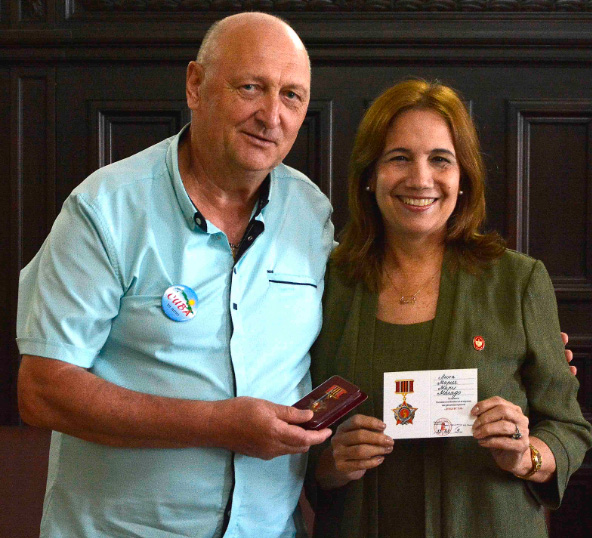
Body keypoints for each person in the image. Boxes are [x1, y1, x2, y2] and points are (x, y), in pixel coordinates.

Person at [16, 12, 334, 538]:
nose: (271, 116)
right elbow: (43, 389)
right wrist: (219, 424)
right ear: (195, 85)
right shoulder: (106, 209)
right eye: (250, 88)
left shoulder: (310, 212)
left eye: (291, 96)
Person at [306, 79, 592, 537]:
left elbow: (568, 427)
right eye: (399, 158)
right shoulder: (325, 285)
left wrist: (526, 456)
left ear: (463, 179)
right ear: (369, 175)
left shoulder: (517, 281)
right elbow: (295, 428)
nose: (420, 179)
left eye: (440, 159)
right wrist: (328, 465)